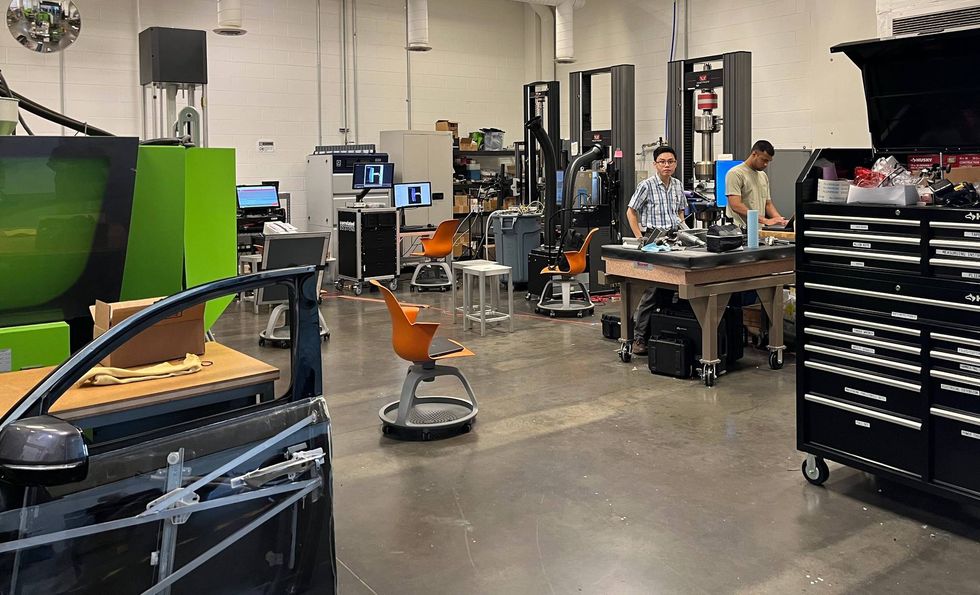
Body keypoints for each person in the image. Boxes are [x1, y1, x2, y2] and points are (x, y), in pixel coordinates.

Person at [625, 145, 686, 356]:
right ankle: (639, 338)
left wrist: (686, 233)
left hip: (674, 239)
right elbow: (631, 212)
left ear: (676, 164)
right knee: (653, 289)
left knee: (676, 287)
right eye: (662, 162)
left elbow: (680, 212)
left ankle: (667, 333)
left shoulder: (678, 186)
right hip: (653, 240)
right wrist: (640, 238)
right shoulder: (647, 186)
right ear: (655, 165)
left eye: (670, 161)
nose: (666, 165)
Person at [725, 139, 788, 227]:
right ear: (754, 154)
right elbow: (736, 205)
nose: (766, 164)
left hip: (759, 230)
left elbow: (768, 204)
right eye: (764, 160)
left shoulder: (763, 176)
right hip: (741, 230)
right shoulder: (735, 173)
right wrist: (765, 220)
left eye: (768, 161)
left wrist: (780, 220)